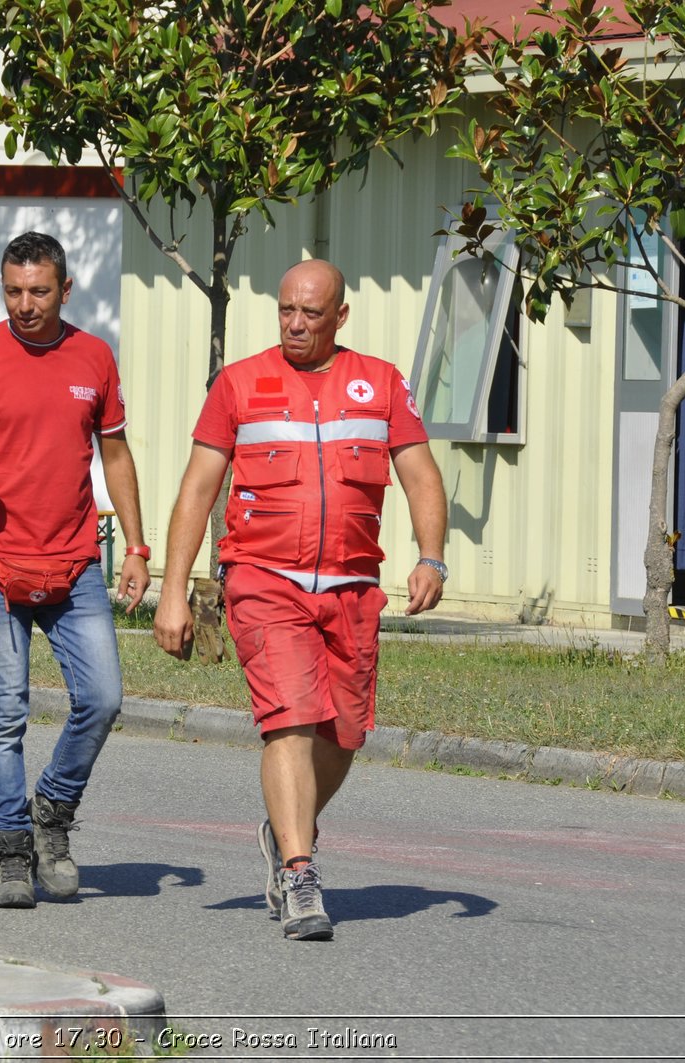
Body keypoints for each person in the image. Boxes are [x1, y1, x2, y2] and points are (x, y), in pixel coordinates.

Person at [153, 259, 448, 941]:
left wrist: (431, 556)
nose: (294, 323)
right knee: (290, 718)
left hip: (350, 585)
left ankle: (288, 822)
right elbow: (197, 490)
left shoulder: (380, 383)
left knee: (344, 731)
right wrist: (173, 593)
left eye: (310, 313)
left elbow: (421, 474)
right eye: (285, 309)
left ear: (340, 316)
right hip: (263, 578)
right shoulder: (240, 384)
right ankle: (298, 871)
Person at [0, 231, 151, 909]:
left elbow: (114, 454)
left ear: (65, 289)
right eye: (14, 291)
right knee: (5, 713)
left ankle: (51, 812)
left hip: (75, 560)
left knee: (104, 698)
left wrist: (137, 547)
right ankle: (12, 850)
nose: (25, 304)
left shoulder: (93, 356)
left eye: (39, 291)